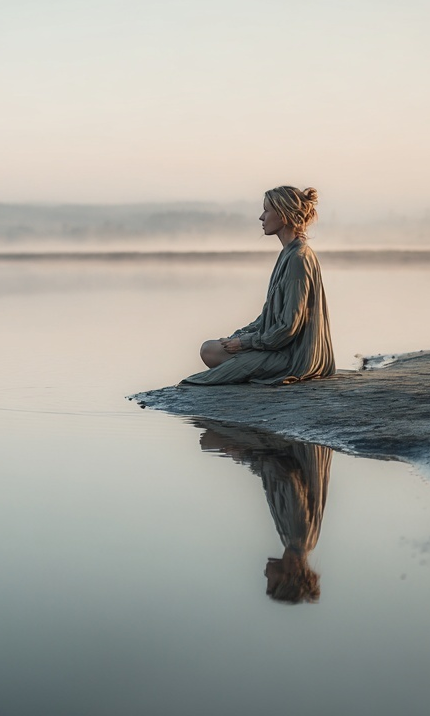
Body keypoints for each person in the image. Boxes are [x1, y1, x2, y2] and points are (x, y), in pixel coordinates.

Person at [186, 186, 334, 385]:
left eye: (266, 210)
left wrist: (245, 343)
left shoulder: (299, 258)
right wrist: (239, 336)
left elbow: (289, 327)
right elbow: (270, 316)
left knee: (210, 356)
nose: (261, 217)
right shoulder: (289, 253)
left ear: (283, 216)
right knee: (210, 349)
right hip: (282, 347)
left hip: (296, 357)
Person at [199, 424, 330, 604]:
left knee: (209, 437)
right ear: (287, 575)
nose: (266, 574)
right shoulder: (298, 535)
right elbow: (288, 474)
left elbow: (280, 476)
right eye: (270, 580)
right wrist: (244, 454)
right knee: (208, 438)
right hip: (293, 443)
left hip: (289, 446)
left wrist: (243, 456)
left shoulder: (295, 541)